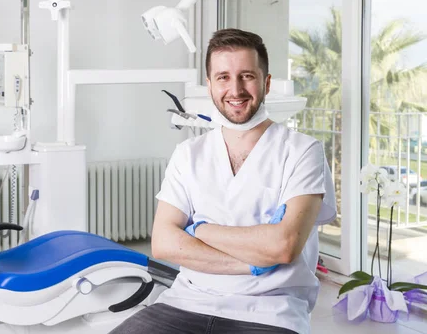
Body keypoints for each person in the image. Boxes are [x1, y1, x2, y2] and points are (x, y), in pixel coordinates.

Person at [110, 29, 337, 334]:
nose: (236, 89)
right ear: (210, 85)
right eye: (223, 77)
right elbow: (163, 242)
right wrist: (254, 261)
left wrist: (199, 230)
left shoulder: (301, 151)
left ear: (266, 83)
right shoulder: (189, 154)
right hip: (186, 302)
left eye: (247, 76)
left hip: (270, 311)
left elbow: (283, 247)